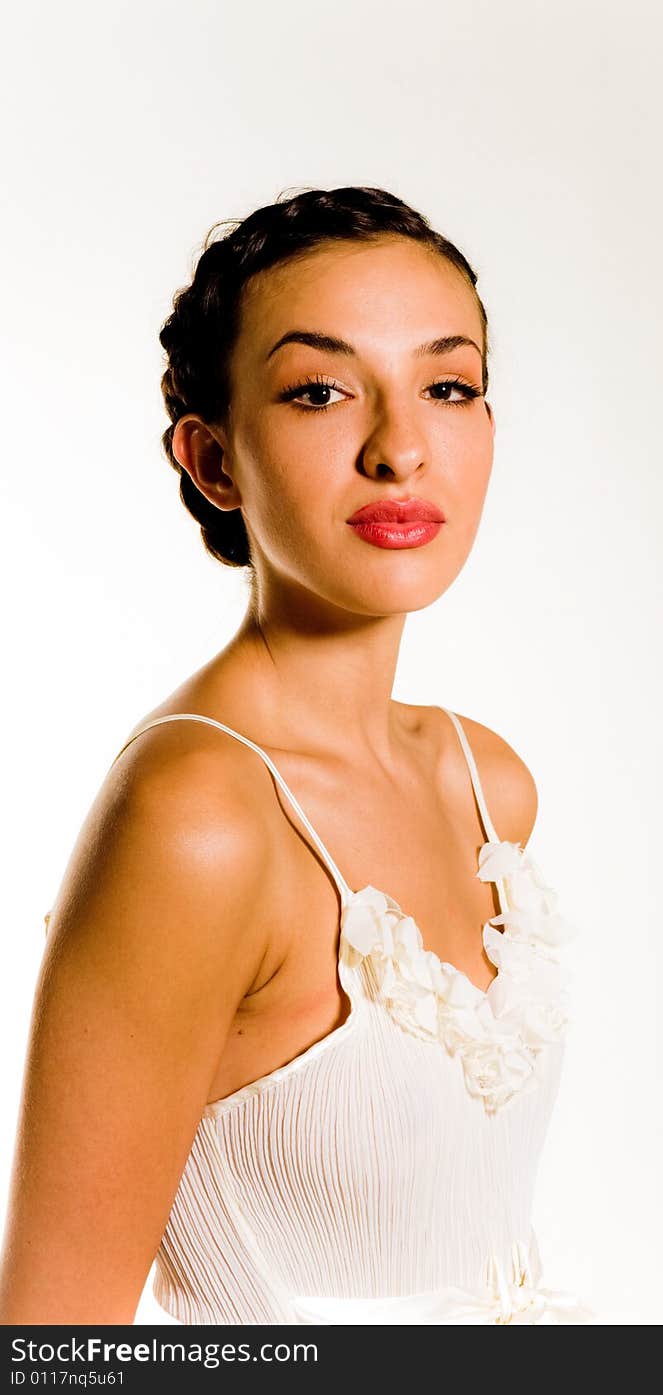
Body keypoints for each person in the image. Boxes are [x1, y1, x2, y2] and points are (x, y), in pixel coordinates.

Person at [0, 186, 596, 1325]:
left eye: (448, 386)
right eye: (320, 391)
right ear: (214, 460)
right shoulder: (202, 816)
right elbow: (51, 1340)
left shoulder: (485, 783)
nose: (401, 448)